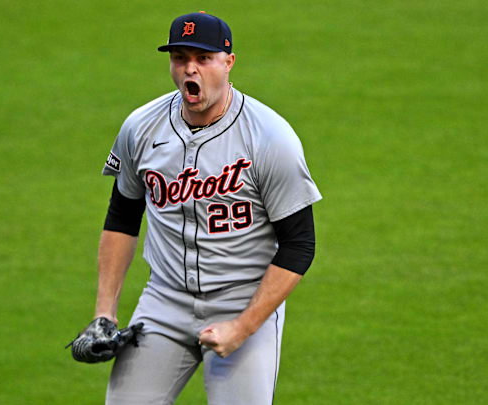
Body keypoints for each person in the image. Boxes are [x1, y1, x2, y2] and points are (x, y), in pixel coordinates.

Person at [94, 11, 321, 404]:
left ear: (228, 62)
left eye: (203, 58)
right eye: (180, 58)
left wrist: (244, 327)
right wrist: (104, 314)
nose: (190, 69)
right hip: (163, 302)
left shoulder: (270, 138)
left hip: (243, 300)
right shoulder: (141, 127)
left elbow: (300, 245)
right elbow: (122, 218)